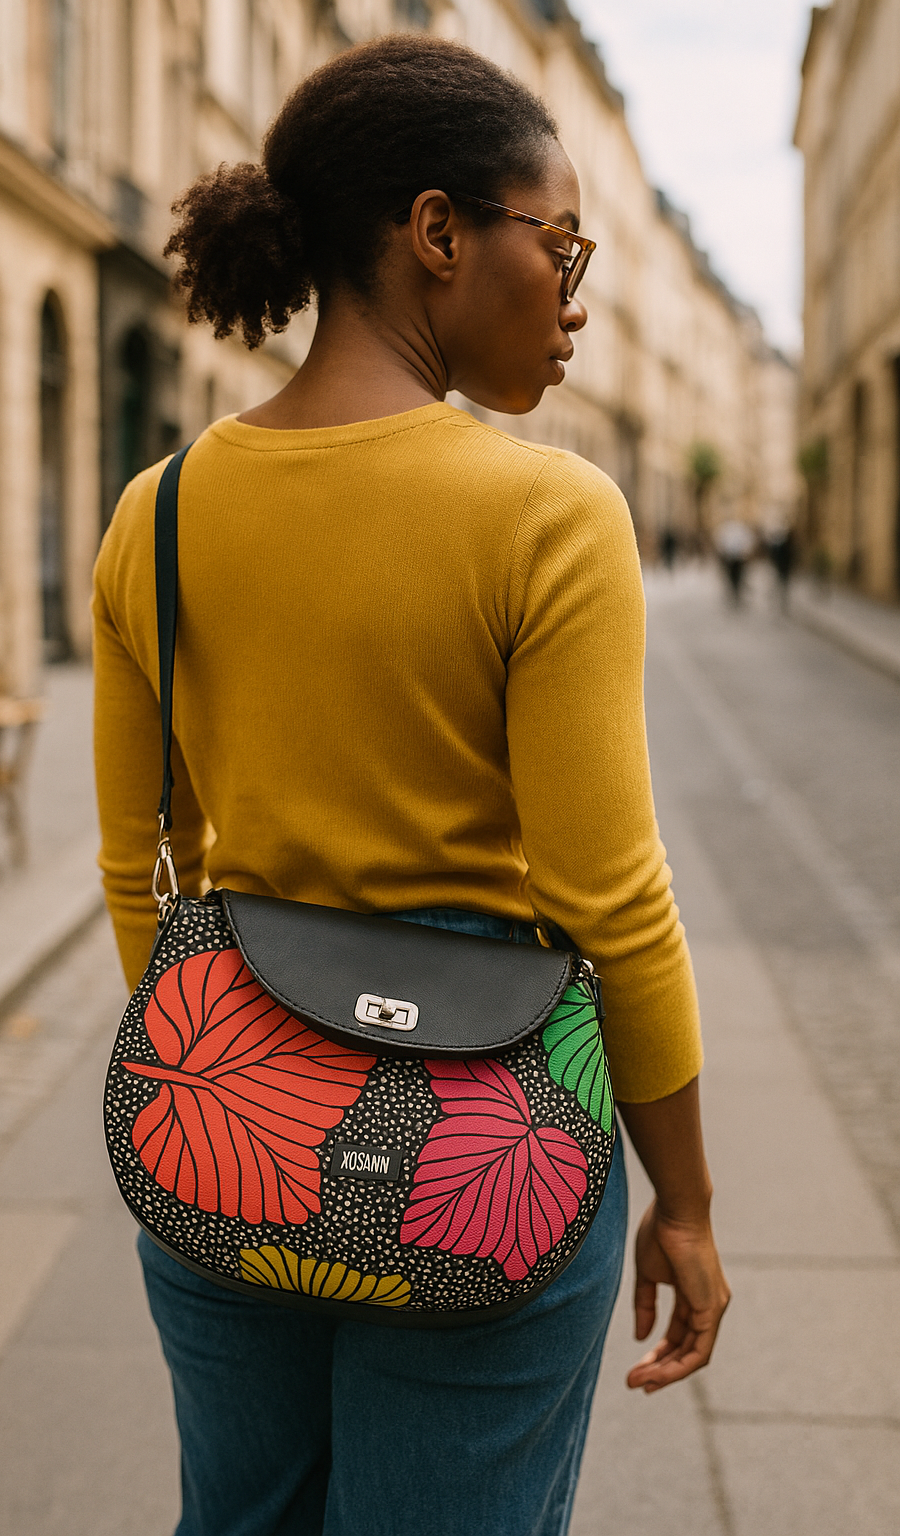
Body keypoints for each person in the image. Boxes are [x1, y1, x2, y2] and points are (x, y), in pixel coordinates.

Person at [93, 34, 729, 1536]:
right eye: (560, 246)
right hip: (487, 1140)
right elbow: (611, 900)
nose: (576, 301)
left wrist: (216, 1071)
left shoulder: (157, 513)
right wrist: (687, 1199)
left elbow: (141, 866)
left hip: (226, 1110)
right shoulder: (549, 513)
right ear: (438, 232)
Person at [713, 518, 756, 606]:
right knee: (733, 577)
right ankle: (735, 593)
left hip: (737, 559)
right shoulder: (725, 530)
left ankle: (737, 592)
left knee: (737, 577)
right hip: (732, 559)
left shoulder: (734, 530)